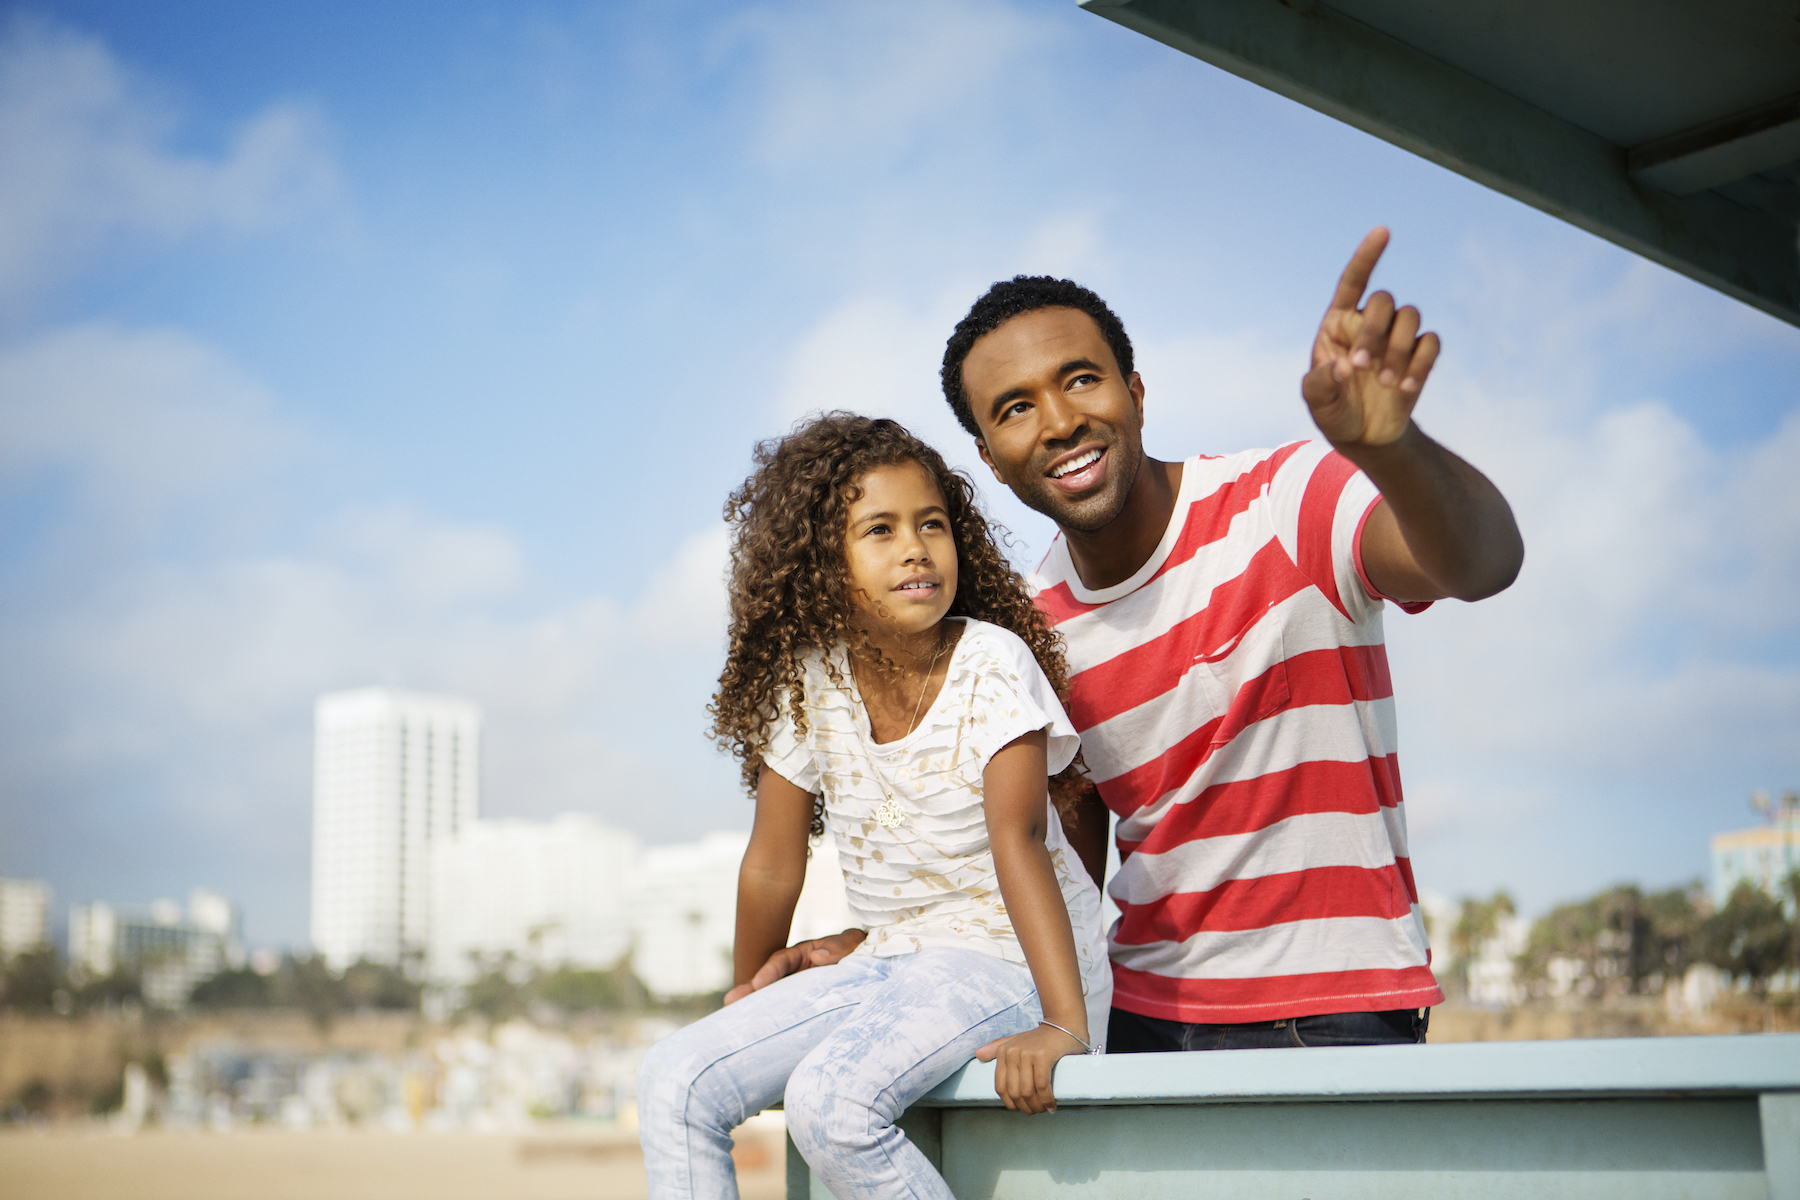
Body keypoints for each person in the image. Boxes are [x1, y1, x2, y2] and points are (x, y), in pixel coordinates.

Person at [736, 228, 1525, 1054]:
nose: (1060, 421)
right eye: (1015, 408)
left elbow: (1484, 564)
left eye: (1082, 379)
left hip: (1338, 1012)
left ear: (1136, 392)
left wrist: (1391, 451)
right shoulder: (1024, 633)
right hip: (1141, 1027)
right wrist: (874, 949)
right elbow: (1051, 870)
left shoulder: (1286, 502)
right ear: (989, 459)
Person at [636, 414, 1111, 1200]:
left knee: (831, 1104)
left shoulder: (990, 662)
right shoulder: (809, 682)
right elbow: (772, 863)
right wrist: (747, 1002)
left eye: (932, 524)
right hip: (891, 961)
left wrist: (1065, 1024)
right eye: (880, 530)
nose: (915, 548)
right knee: (676, 1078)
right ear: (821, 565)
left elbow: (1022, 837)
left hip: (1014, 961)